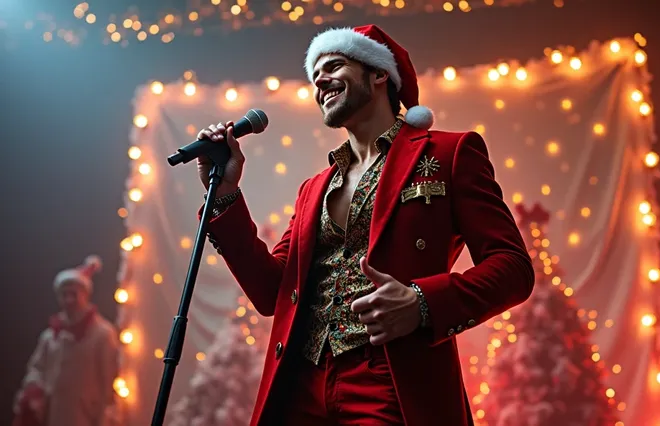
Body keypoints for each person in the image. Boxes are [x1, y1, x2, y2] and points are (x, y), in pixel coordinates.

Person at [196, 25, 534, 426]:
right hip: (299, 382)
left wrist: (422, 303)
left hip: (391, 378)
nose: (319, 80)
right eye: (314, 75)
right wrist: (225, 196)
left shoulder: (450, 152)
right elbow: (272, 292)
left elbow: (513, 268)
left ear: (378, 74)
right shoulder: (313, 189)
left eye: (334, 65)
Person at [13, 256, 120, 426]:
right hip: (53, 415)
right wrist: (35, 391)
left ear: (85, 294)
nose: (69, 300)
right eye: (64, 295)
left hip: (85, 417)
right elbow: (37, 367)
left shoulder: (102, 334)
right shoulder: (51, 336)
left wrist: (103, 417)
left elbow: (109, 381)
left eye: (74, 294)